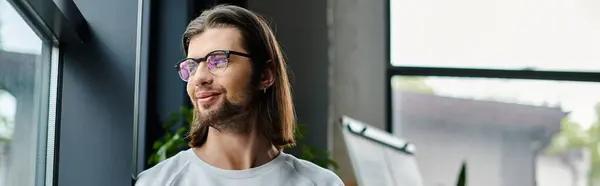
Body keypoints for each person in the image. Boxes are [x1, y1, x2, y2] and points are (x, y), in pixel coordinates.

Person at [135, 4, 344, 186]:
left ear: (265, 75)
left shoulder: (321, 183)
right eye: (191, 67)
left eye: (217, 60)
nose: (198, 78)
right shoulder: (156, 183)